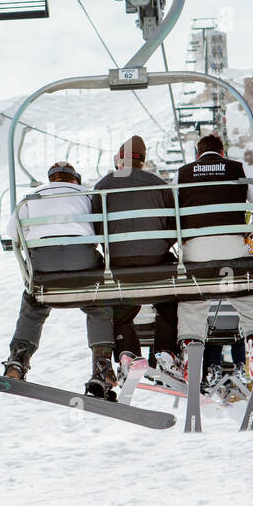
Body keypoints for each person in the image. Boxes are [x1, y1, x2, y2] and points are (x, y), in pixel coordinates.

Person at [161, 133, 253, 397]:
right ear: (222, 153)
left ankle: (191, 351)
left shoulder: (183, 173)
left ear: (197, 155)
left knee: (193, 301)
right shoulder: (238, 169)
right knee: (247, 296)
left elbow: (169, 210)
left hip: (196, 252)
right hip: (235, 250)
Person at [2, 160, 117, 398]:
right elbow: (102, 229)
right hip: (83, 266)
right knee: (99, 303)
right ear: (74, 179)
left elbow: (12, 233)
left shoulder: (32, 197)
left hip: (46, 268)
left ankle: (17, 361)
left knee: (34, 303)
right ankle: (101, 368)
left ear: (51, 179)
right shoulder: (87, 195)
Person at [92, 135, 178, 371]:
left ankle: (127, 352)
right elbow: (174, 227)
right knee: (171, 303)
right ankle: (165, 351)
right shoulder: (159, 184)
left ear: (120, 160)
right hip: (157, 262)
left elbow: (96, 229)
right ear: (143, 160)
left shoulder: (103, 186)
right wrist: (159, 246)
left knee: (121, 309)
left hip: (119, 265)